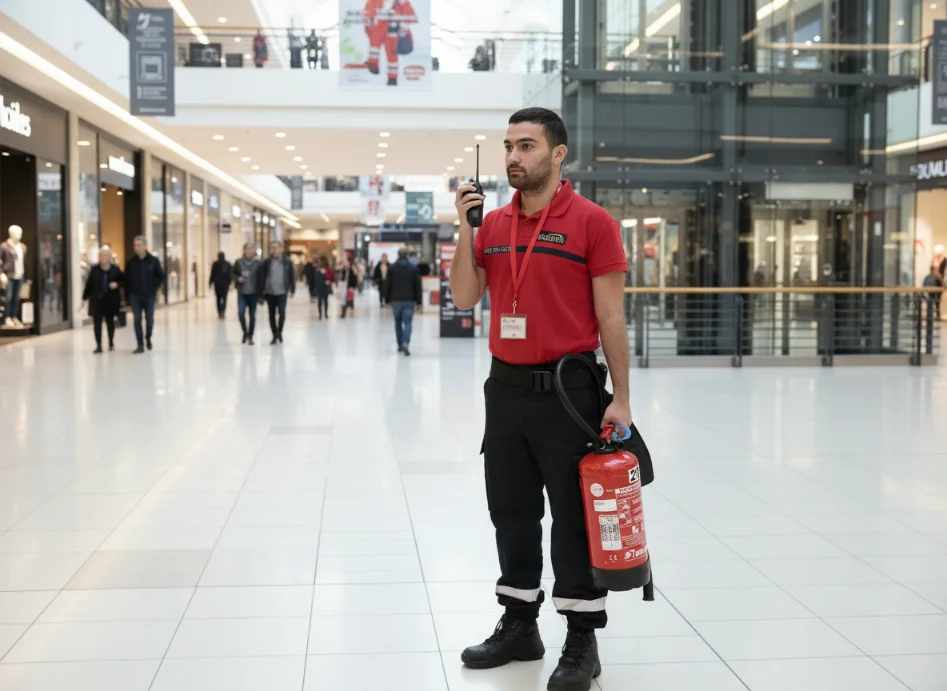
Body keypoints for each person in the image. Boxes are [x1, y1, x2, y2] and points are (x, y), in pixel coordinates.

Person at [450, 107, 653, 691]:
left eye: (527, 146)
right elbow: (466, 298)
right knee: (510, 512)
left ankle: (582, 640)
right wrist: (465, 227)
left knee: (572, 519)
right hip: (505, 389)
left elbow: (611, 316)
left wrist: (623, 400)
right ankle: (519, 625)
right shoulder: (492, 225)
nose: (514, 157)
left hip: (569, 393)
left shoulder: (592, 222)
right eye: (509, 146)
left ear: (558, 154)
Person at [361, 0, 417, 86]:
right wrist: (368, 24)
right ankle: (372, 64)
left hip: (392, 28)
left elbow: (411, 16)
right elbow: (367, 11)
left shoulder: (403, 2)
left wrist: (403, 26)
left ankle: (392, 77)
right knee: (374, 47)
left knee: (392, 54)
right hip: (378, 26)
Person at [125, 235, 165, 354]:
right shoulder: (131, 262)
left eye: (139, 245)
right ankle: (140, 344)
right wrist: (128, 295)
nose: (136, 248)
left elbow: (160, 276)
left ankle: (148, 337)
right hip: (135, 296)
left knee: (149, 319)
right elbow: (126, 279)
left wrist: (154, 287)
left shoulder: (153, 261)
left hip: (149, 296)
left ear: (144, 246)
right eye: (135, 245)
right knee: (137, 320)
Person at [81, 246, 124, 354]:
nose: (102, 258)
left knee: (110, 322)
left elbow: (124, 281)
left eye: (105, 255)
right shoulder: (94, 270)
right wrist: (84, 298)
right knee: (97, 323)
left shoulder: (115, 269)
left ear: (109, 257)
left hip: (110, 300)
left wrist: (117, 284)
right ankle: (98, 345)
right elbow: (89, 284)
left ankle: (110, 342)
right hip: (97, 300)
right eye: (100, 256)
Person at [386, 247, 422, 355]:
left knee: (397, 322)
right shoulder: (413, 268)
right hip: (409, 300)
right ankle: (406, 343)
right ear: (407, 256)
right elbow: (417, 286)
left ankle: (400, 344)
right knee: (408, 322)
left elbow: (387, 285)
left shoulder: (392, 268)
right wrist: (419, 302)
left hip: (396, 300)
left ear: (398, 255)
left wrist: (387, 300)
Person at [258, 240, 295, 344]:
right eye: (271, 248)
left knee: (282, 313)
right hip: (270, 292)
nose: (273, 250)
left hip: (282, 292)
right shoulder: (267, 262)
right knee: (271, 315)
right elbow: (262, 277)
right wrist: (261, 292)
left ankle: (280, 331)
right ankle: (274, 334)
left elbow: (292, 276)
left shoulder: (287, 262)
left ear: (281, 249)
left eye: (275, 248)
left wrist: (292, 289)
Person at [232, 243, 262, 345]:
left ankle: (250, 335)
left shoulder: (258, 263)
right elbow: (232, 274)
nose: (249, 251)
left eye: (251, 249)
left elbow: (263, 277)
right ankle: (245, 331)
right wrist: (237, 279)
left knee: (252, 315)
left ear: (254, 251)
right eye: (247, 249)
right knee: (241, 313)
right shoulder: (238, 262)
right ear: (244, 250)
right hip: (242, 292)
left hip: (254, 293)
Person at [209, 251, 232, 319]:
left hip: (218, 284)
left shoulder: (215, 264)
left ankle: (220, 312)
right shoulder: (227, 264)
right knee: (224, 298)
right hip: (224, 284)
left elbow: (212, 274)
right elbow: (230, 275)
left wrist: (210, 282)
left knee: (218, 299)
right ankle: (222, 311)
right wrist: (230, 282)